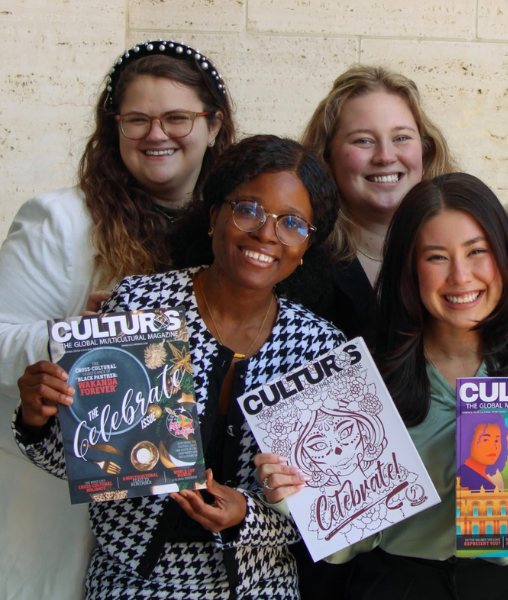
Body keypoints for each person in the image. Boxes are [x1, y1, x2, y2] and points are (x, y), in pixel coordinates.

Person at [14, 135, 345, 598]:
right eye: (248, 209)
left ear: (306, 246)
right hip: (130, 582)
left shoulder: (319, 348)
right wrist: (37, 418)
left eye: (292, 223)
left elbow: (333, 509)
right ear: (214, 217)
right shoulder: (140, 308)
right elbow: (86, 464)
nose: (267, 234)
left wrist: (246, 517)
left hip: (259, 587)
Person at [259, 172, 508, 599]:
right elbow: (347, 542)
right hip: (397, 586)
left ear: (505, 255)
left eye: (477, 251)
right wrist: (293, 497)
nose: (461, 276)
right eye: (436, 257)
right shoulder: (360, 380)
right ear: (409, 268)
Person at [0, 39, 235, 599]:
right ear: (116, 129)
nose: (157, 135)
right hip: (65, 501)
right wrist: (71, 336)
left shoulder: (237, 229)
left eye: (177, 117)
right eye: (137, 120)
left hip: (183, 523)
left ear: (213, 124)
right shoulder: (59, 220)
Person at [298, 65, 457, 338]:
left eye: (401, 138)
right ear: (326, 156)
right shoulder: (298, 263)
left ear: (425, 149)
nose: (385, 156)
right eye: (363, 140)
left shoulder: (465, 253)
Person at [457, 412, 508, 491]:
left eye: (496, 440)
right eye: (485, 440)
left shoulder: (485, 478)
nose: (494, 447)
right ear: (468, 440)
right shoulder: (464, 479)